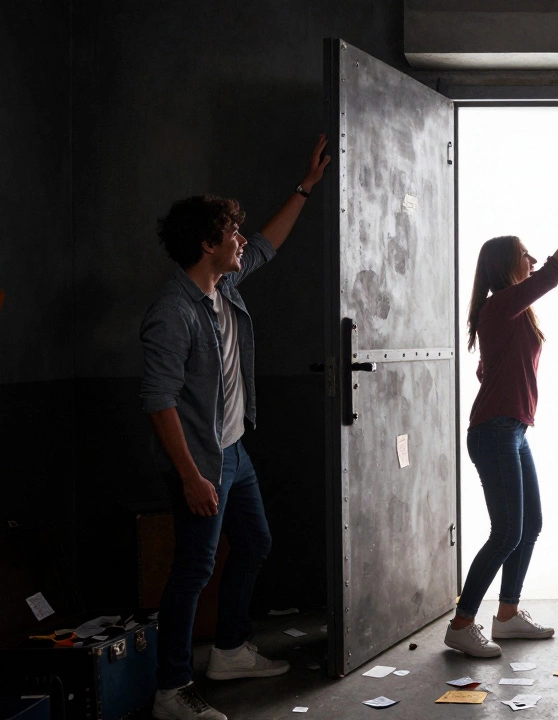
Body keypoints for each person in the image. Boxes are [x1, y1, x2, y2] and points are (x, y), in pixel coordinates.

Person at [141, 137, 330, 719]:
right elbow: (158, 399)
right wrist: (193, 476)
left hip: (233, 451)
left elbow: (267, 246)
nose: (241, 242)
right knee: (194, 571)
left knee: (255, 541)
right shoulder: (172, 312)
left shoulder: (222, 288)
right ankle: (172, 690)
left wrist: (305, 186)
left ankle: (228, 651)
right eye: (231, 234)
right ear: (207, 244)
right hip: (203, 461)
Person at [444, 172, 558, 658]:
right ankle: (463, 622)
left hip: (512, 431)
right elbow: (553, 272)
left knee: (529, 526)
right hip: (493, 432)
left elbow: (490, 367)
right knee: (507, 530)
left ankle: (507, 615)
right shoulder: (501, 304)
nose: (531, 260)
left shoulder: (511, 312)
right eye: (524, 254)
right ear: (506, 266)